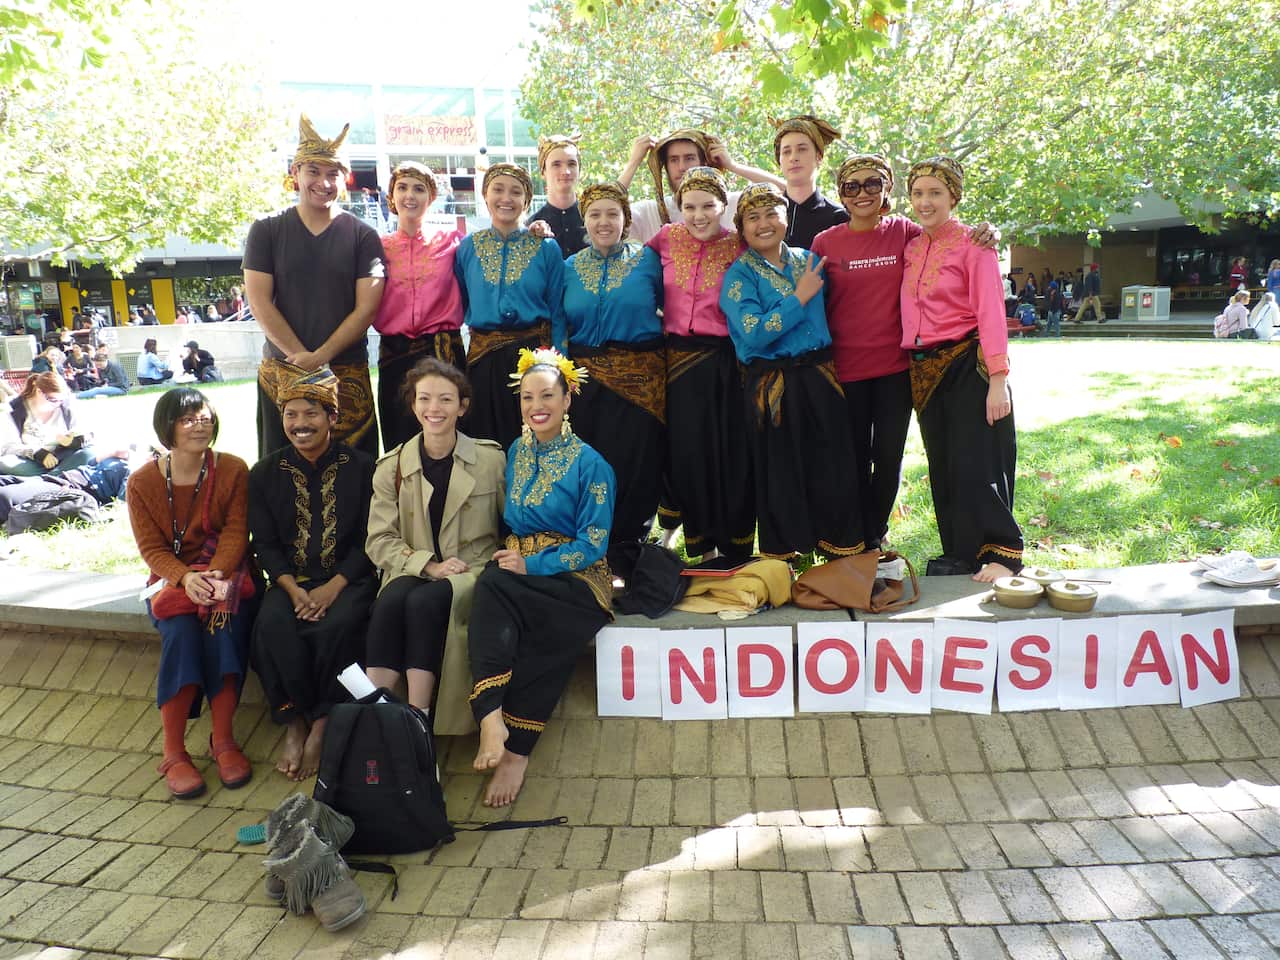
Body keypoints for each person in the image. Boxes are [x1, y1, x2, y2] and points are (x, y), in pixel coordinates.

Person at [811, 154, 998, 552]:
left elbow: (944, 232)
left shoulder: (905, 233)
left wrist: (986, 231)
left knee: (888, 457)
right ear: (841, 193)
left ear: (887, 189)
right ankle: (852, 539)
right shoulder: (825, 242)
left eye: (872, 184)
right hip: (845, 369)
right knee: (852, 457)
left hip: (897, 369)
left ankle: (875, 534)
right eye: (852, 186)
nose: (863, 193)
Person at [468, 348, 614, 807]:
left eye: (548, 395)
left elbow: (594, 543)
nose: (537, 405)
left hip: (578, 582)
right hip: (523, 577)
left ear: (567, 399)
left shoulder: (592, 465)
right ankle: (503, 734)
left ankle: (497, 726)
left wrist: (531, 564)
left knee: (493, 585)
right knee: (499, 594)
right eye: (527, 397)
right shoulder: (517, 450)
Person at [719, 183, 863, 560]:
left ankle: (840, 552)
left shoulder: (809, 260)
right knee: (780, 470)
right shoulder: (739, 277)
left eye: (772, 213)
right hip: (773, 385)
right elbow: (753, 331)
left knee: (832, 465)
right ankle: (785, 557)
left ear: (786, 217)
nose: (764, 224)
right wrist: (799, 298)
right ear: (741, 228)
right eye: (753, 218)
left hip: (820, 376)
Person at [248, 366, 376, 781]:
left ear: (332, 417)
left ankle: (323, 721)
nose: (300, 424)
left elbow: (370, 539)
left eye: (311, 414)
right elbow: (265, 544)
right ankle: (294, 721)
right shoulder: (263, 473)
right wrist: (291, 589)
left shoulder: (363, 468)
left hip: (348, 580)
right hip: (290, 582)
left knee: (340, 627)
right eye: (291, 415)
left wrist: (333, 588)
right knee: (271, 626)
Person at [127, 388, 255, 799]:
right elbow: (151, 549)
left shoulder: (232, 469)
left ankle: (223, 741)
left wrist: (215, 573)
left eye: (204, 418)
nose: (199, 426)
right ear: (168, 427)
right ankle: (173, 752)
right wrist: (185, 578)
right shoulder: (143, 481)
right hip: (172, 584)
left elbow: (236, 530)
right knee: (181, 636)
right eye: (187, 419)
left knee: (223, 630)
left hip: (222, 577)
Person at [365, 358, 504, 732]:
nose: (434, 408)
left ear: (462, 406)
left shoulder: (491, 460)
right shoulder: (392, 466)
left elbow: (512, 523)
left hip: (469, 569)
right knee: (389, 602)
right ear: (413, 405)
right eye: (424, 398)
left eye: (445, 399)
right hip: (414, 566)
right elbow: (379, 540)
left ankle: (418, 721)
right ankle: (375, 716)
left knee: (423, 603)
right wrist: (428, 565)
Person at [900, 156, 1022, 581]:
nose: (925, 201)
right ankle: (960, 552)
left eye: (935, 193)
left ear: (953, 197)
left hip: (969, 365)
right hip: (924, 370)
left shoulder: (975, 244)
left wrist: (998, 380)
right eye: (918, 193)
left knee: (978, 462)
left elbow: (991, 312)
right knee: (945, 465)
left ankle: (1004, 554)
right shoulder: (912, 247)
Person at [243, 114, 386, 461]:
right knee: (283, 474)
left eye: (333, 173)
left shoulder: (363, 235)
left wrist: (320, 357)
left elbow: (366, 308)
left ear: (345, 178)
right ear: (295, 173)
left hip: (346, 374)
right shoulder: (266, 229)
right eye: (314, 171)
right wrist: (301, 358)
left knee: (354, 473)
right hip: (283, 371)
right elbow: (259, 301)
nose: (323, 182)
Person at [645, 166, 753, 559]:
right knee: (686, 454)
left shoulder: (740, 244)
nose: (698, 215)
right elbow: (632, 268)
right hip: (677, 363)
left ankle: (733, 548)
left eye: (708, 206)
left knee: (726, 454)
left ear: (724, 205)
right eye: (689, 207)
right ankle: (699, 546)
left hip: (726, 364)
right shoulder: (665, 238)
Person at [563, 182, 666, 546]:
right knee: (589, 466)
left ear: (626, 219)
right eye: (595, 214)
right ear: (585, 220)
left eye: (612, 214)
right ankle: (589, 549)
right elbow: (559, 323)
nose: (603, 222)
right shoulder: (569, 267)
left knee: (636, 466)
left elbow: (673, 306)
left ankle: (630, 550)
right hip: (584, 384)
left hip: (640, 381)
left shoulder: (649, 260)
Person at [453, 162, 566, 450]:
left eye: (516, 192)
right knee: (484, 442)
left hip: (532, 358)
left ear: (526, 200)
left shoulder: (546, 248)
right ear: (485, 195)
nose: (506, 198)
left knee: (534, 439)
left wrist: (559, 368)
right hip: (483, 360)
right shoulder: (467, 248)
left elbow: (557, 311)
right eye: (498, 190)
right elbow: (463, 300)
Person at [373, 162, 466, 452]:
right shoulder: (377, 247)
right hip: (395, 354)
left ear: (431, 197)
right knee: (399, 440)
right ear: (391, 196)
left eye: (419, 189)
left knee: (448, 438)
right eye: (402, 188)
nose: (410, 195)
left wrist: (534, 228)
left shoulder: (453, 242)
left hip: (442, 351)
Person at [617, 129, 785, 243]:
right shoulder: (649, 212)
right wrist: (633, 163)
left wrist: (733, 166)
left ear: (704, 163)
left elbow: (787, 193)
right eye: (674, 160)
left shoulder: (731, 204)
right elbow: (604, 211)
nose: (681, 167)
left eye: (689, 158)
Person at [771, 115, 848, 249]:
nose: (793, 157)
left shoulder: (839, 218)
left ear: (819, 157)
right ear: (779, 161)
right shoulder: (767, 215)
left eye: (802, 149)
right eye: (786, 151)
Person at [0, 372, 94, 477]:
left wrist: (73, 442)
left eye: (61, 400)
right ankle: (57, 477)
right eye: (53, 400)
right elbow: (8, 447)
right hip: (31, 461)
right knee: (6, 463)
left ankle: (46, 479)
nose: (57, 404)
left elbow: (88, 435)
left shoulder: (67, 405)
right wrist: (37, 453)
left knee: (88, 454)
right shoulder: (14, 410)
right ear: (39, 391)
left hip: (63, 457)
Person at [527, 134, 588, 258]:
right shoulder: (531, 228)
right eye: (556, 164)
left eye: (571, 164)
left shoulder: (595, 221)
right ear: (543, 172)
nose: (566, 171)